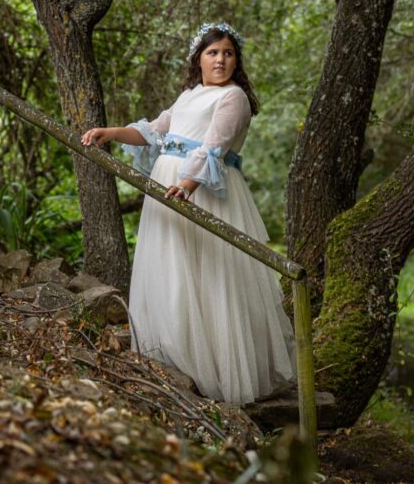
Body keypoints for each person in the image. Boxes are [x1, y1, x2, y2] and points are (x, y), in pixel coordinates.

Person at [80, 22, 296, 405]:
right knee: (172, 269)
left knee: (207, 274)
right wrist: (111, 132)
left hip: (202, 190)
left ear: (236, 61)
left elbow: (215, 146)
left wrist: (188, 185)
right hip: (169, 185)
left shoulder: (233, 97)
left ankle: (215, 371)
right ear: (198, 58)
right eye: (213, 53)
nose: (221, 60)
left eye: (228, 53)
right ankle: (173, 357)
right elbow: (155, 132)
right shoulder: (188, 96)